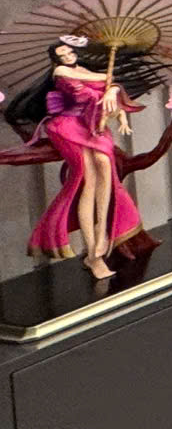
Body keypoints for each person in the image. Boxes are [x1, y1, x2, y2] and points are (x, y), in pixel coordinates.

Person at [26, 36, 142, 280]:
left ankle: (101, 235)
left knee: (106, 167)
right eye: (63, 55)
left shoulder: (82, 70)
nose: (69, 57)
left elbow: (107, 87)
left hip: (92, 125)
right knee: (87, 178)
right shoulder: (61, 72)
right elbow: (85, 93)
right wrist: (108, 87)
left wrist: (113, 89)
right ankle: (92, 251)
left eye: (70, 52)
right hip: (68, 125)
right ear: (56, 59)